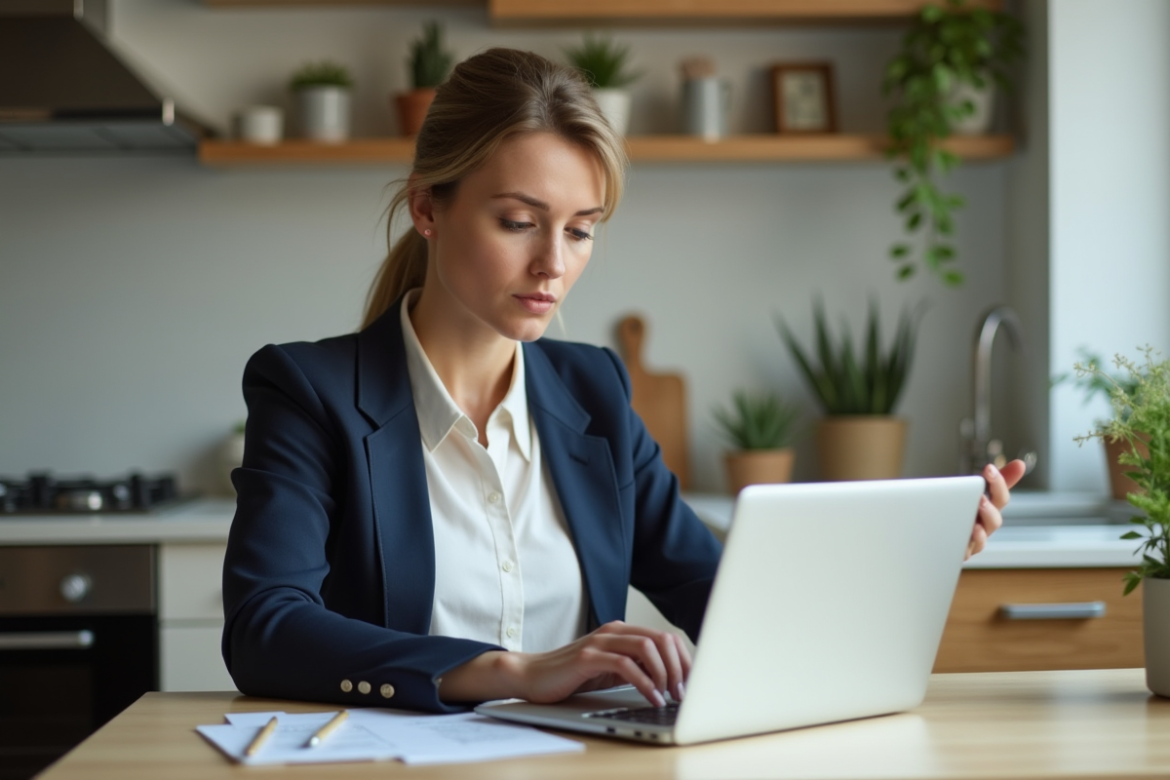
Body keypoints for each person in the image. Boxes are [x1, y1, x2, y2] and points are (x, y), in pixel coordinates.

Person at [221, 48, 1025, 715]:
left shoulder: (594, 392)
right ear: (428, 209)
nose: (554, 264)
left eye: (579, 231)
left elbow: (723, 597)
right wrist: (514, 670)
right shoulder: (309, 390)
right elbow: (266, 628)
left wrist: (906, 557)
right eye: (518, 222)